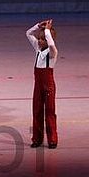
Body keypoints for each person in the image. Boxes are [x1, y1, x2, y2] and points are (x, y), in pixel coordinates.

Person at [26, 19, 59, 149]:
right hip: (38, 87)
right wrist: (38, 26)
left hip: (48, 87)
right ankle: (37, 139)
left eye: (43, 39)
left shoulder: (52, 53)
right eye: (39, 39)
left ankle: (52, 140)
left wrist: (47, 31)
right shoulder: (37, 50)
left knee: (49, 112)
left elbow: (51, 45)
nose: (40, 41)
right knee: (37, 111)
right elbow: (28, 33)